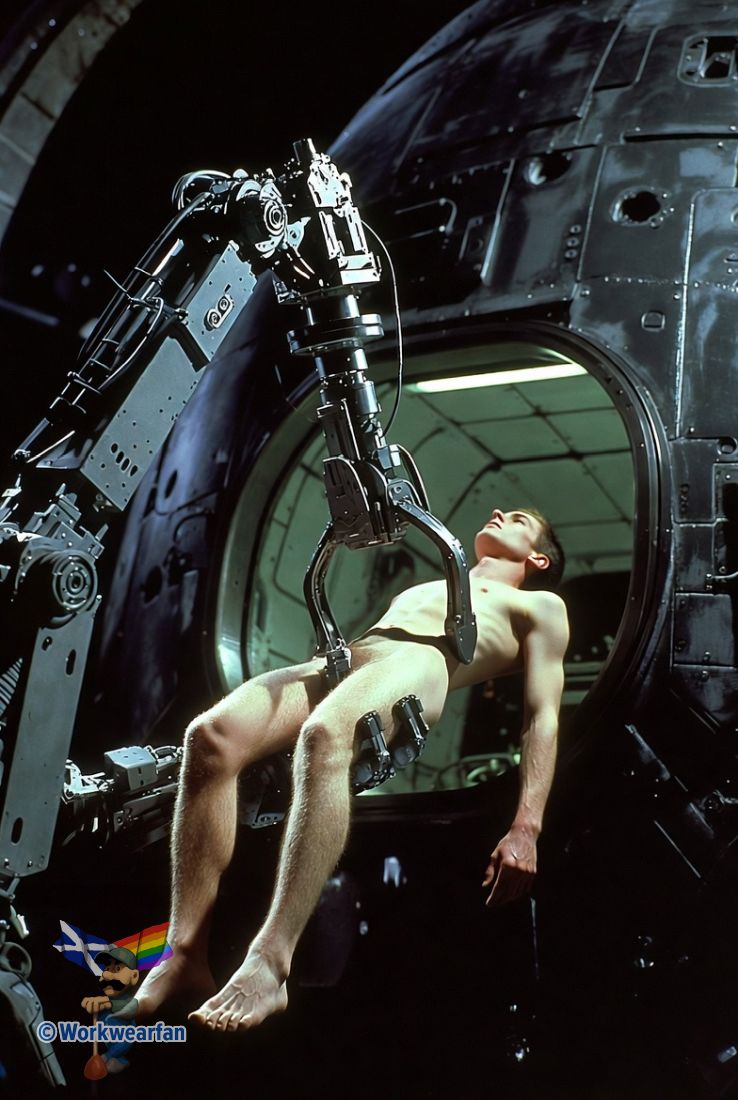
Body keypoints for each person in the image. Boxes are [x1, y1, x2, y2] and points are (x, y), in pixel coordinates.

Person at [126, 506, 568, 1033]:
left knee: (324, 735)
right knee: (210, 738)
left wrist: (526, 827)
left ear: (538, 558)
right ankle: (184, 955)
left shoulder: (541, 605)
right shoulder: (438, 579)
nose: (498, 513)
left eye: (517, 519)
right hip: (357, 655)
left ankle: (271, 963)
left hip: (426, 660)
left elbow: (542, 717)